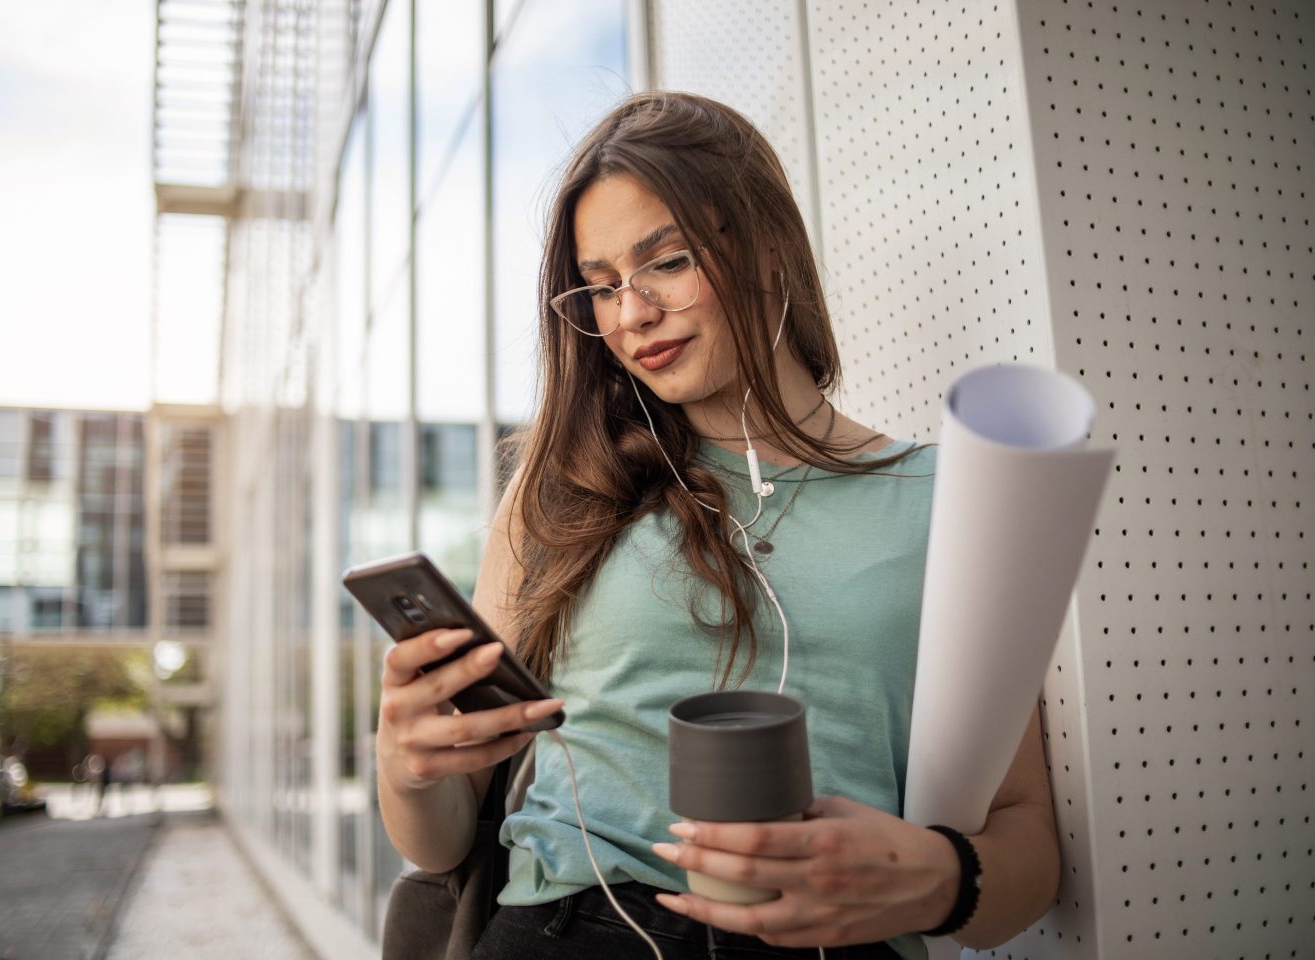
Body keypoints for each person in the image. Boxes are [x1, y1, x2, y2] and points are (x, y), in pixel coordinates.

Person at [376, 91, 1059, 959]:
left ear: (768, 244)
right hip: (567, 931)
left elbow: (1026, 842)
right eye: (601, 286)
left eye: (665, 262)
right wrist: (407, 763)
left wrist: (936, 878)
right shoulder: (564, 489)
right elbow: (437, 840)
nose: (630, 316)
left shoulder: (949, 502)